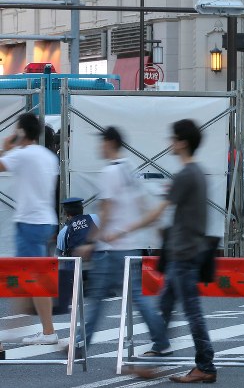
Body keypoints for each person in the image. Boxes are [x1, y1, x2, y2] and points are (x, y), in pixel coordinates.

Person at [122, 120, 216, 383]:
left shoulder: (186, 175)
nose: (170, 143)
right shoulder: (197, 173)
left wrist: (129, 227)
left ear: (183, 142)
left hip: (184, 253)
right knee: (164, 307)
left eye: (173, 138)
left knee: (191, 311)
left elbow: (159, 209)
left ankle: (205, 365)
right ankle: (158, 356)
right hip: (184, 251)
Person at [72, 127, 170, 360]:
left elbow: (106, 209)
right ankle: (161, 339)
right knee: (137, 296)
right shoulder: (129, 168)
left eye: (101, 142)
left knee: (97, 298)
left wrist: (90, 241)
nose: (99, 147)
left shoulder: (110, 171)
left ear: (110, 142)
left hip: (111, 245)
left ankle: (79, 344)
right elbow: (141, 204)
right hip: (130, 244)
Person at [0, 113, 59, 345]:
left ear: (22, 132)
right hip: (46, 220)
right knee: (31, 275)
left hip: (29, 222)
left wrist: (6, 147)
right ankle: (26, 328)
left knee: (29, 277)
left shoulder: (22, 155)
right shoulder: (48, 157)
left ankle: (41, 331)